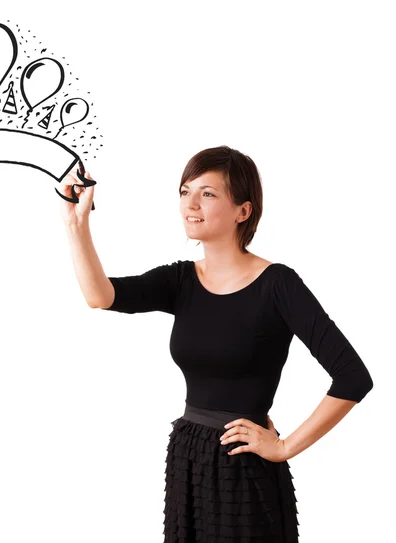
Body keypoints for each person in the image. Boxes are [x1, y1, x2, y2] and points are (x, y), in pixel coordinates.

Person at [59, 145, 373, 543]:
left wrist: (284, 447)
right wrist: (76, 226)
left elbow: (352, 378)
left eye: (207, 193)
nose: (191, 203)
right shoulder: (182, 280)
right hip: (188, 454)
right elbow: (100, 296)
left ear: (243, 210)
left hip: (244, 464)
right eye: (185, 191)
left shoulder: (278, 285)